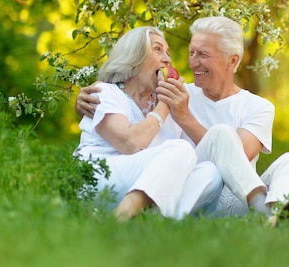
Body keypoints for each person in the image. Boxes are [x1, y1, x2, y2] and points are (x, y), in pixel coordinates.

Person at [76, 17, 289, 223]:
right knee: (210, 152)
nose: (193, 62)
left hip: (237, 198)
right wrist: (82, 100)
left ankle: (279, 217)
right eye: (191, 53)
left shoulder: (259, 107)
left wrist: (183, 115)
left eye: (203, 55)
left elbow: (239, 155)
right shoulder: (176, 93)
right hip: (199, 194)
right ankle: (154, 219)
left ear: (232, 60)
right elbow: (130, 102)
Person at [73, 26, 222, 221]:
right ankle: (121, 218)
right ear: (134, 56)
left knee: (211, 173)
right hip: (98, 177)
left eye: (168, 53)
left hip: (142, 183)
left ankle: (148, 219)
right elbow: (130, 143)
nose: (167, 59)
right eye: (158, 49)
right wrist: (164, 106)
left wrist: (177, 110)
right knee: (181, 148)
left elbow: (191, 159)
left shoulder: (171, 107)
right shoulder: (105, 92)